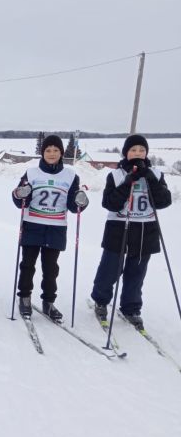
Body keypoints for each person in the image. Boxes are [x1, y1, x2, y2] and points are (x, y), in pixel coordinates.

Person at [90, 135, 172, 329]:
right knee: (110, 268)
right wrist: (128, 182)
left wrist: (150, 179)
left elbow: (164, 201)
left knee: (137, 272)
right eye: (133, 150)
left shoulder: (156, 174)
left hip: (146, 228)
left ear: (146, 153)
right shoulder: (116, 175)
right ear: (126, 153)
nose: (138, 154)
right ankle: (101, 301)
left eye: (141, 150)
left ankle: (131, 307)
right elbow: (108, 203)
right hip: (119, 226)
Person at [11, 135, 87, 320]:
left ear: (61, 152)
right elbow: (20, 199)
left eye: (55, 150)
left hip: (56, 227)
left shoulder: (70, 175)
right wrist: (20, 194)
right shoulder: (31, 173)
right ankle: (24, 298)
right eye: (48, 150)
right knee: (28, 265)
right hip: (33, 224)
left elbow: (73, 205)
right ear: (42, 153)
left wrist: (80, 201)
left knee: (51, 268)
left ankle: (48, 302)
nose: (51, 154)